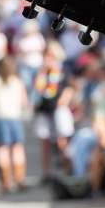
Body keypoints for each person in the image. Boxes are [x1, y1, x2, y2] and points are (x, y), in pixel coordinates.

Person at [0, 57, 27, 193]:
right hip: (14, 117)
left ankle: (5, 182)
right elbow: (24, 102)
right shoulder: (17, 82)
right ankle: (19, 180)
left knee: (2, 150)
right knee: (17, 149)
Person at [33, 42, 75, 182]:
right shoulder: (42, 72)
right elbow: (36, 89)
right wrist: (43, 71)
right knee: (44, 141)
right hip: (44, 109)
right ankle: (46, 173)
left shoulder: (62, 70)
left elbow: (69, 87)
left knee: (61, 140)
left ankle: (66, 169)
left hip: (58, 109)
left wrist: (62, 101)